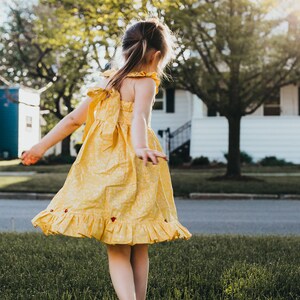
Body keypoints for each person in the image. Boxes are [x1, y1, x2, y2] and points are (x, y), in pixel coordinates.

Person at [21, 18, 192, 300]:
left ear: (125, 50)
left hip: (105, 170)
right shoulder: (146, 83)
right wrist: (139, 147)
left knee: (118, 245)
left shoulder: (107, 82)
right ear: (157, 56)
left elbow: (73, 119)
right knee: (138, 244)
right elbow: (139, 119)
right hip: (134, 168)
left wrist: (40, 146)